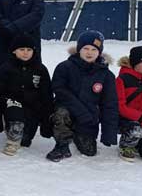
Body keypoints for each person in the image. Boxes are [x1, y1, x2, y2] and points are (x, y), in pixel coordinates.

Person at [47, 30, 119, 162]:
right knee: (61, 114)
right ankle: (62, 144)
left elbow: (109, 104)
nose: (89, 52)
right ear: (79, 49)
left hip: (89, 118)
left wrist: (109, 133)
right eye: (85, 48)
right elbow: (60, 90)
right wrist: (81, 112)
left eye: (94, 49)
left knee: (89, 152)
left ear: (99, 52)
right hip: (67, 109)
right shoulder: (65, 67)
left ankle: (77, 134)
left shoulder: (107, 76)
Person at [0, 35, 54, 156]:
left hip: (33, 107)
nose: (25, 53)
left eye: (29, 50)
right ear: (14, 51)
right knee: (16, 119)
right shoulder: (6, 68)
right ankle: (12, 139)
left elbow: (47, 95)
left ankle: (24, 132)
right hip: (11, 104)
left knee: (25, 141)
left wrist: (46, 122)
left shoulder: (40, 69)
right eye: (22, 49)